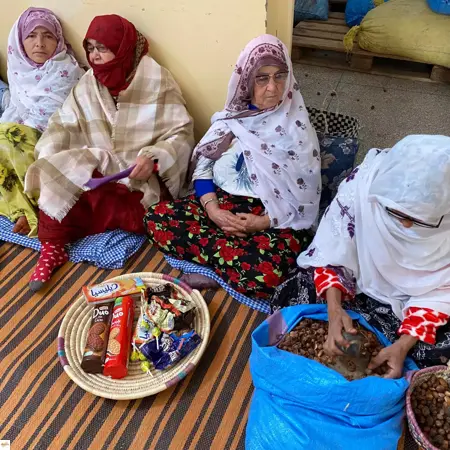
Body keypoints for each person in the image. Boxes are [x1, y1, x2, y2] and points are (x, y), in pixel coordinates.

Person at [144, 34, 321, 300]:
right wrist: (213, 210)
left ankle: (211, 267)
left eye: (280, 76)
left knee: (270, 270)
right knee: (156, 219)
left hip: (270, 216)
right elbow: (202, 170)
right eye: (262, 78)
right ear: (246, 80)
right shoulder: (230, 120)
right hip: (220, 206)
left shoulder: (296, 127)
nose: (272, 87)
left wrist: (262, 222)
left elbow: (304, 198)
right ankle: (226, 265)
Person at [24, 14, 194, 291]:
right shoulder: (89, 82)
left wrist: (153, 159)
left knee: (153, 217)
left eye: (103, 47)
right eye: (90, 47)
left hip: (137, 177)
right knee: (60, 179)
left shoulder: (156, 80)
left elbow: (182, 133)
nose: (95, 56)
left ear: (124, 46)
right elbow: (63, 123)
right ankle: (52, 249)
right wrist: (51, 155)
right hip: (99, 168)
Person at [270, 134, 450, 376]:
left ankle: (391, 350)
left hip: (416, 303)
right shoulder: (363, 186)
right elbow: (332, 249)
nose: (405, 226)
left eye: (421, 221)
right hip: (354, 284)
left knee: (437, 354)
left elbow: (442, 293)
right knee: (295, 291)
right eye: (395, 214)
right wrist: (334, 311)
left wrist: (403, 345)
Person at [0, 7, 84, 236]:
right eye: (31, 36)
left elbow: (44, 119)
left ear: (58, 41)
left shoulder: (65, 70)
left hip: (56, 141)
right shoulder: (18, 69)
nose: (39, 43)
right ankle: (20, 210)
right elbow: (15, 108)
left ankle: (36, 210)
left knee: (7, 138)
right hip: (23, 133)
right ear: (19, 41)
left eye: (48, 36)